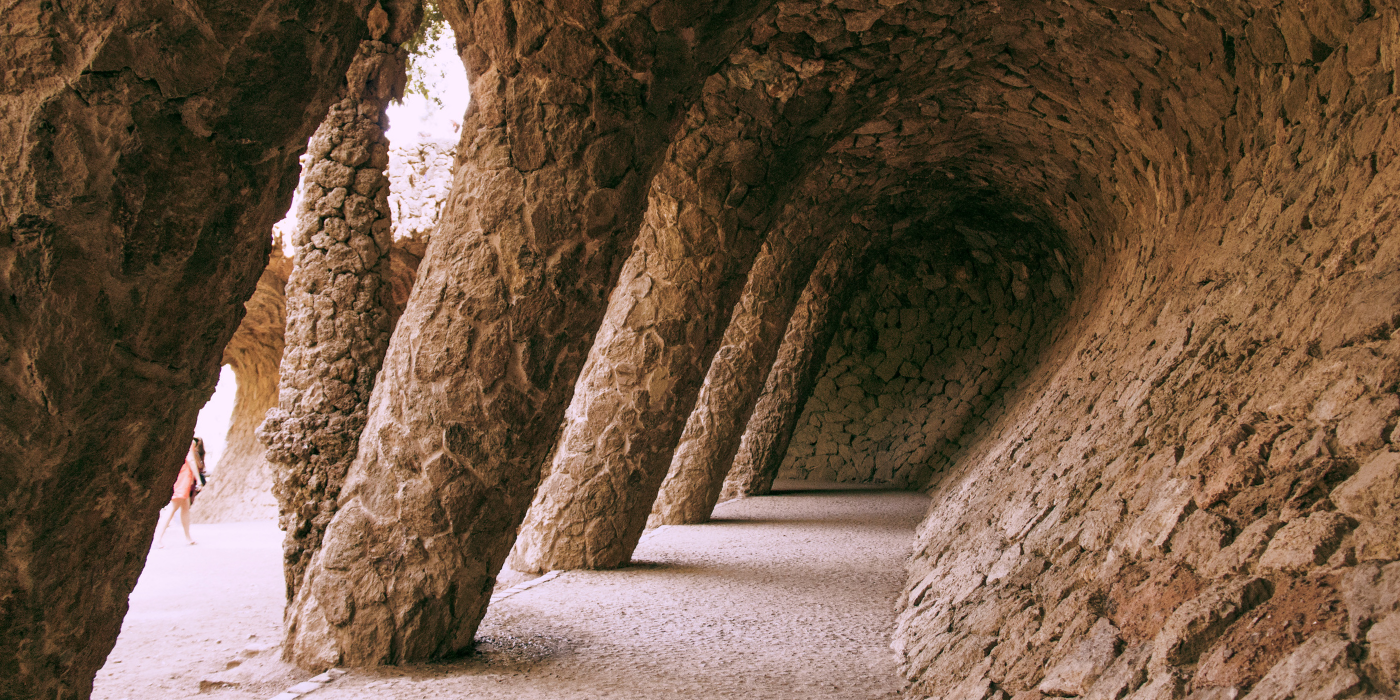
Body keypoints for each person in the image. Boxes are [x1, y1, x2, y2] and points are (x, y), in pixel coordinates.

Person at [157, 438, 205, 547]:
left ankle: (188, 538)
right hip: (184, 476)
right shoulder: (189, 441)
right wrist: (198, 479)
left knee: (185, 508)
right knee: (173, 507)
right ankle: (158, 538)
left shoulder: (180, 439)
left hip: (182, 474)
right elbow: (190, 459)